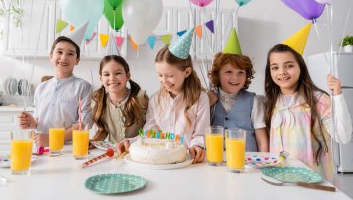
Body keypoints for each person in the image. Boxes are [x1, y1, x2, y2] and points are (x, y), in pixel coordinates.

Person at [117, 29, 210, 164]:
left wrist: (197, 146)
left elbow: (200, 134)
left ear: (187, 72)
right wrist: (130, 142)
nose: (164, 80)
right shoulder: (156, 99)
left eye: (170, 76)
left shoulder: (201, 99)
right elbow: (150, 133)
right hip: (159, 161)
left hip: (187, 162)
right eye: (160, 75)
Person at [265, 44, 352, 177]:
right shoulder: (271, 102)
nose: (282, 71)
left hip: (314, 181)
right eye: (275, 67)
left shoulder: (319, 100)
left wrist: (338, 96)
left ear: (301, 67)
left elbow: (343, 136)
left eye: (289, 65)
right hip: (281, 180)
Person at [18, 23, 93, 147]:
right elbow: (39, 120)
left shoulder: (83, 87)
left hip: (68, 149)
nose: (64, 57)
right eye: (60, 52)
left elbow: (83, 123)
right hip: (41, 148)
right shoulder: (41, 88)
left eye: (70, 54)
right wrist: (32, 123)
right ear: (51, 56)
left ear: (77, 60)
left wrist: (52, 139)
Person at [208, 52, 269, 152]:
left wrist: (263, 165)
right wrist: (206, 104)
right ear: (218, 74)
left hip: (247, 163)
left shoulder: (254, 101)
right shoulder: (208, 99)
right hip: (216, 162)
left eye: (240, 72)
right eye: (228, 72)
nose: (235, 78)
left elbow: (262, 141)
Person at [91, 55, 148, 143]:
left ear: (128, 76)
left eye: (118, 73)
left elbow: (152, 127)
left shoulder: (140, 98)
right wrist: (93, 141)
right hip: (115, 152)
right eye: (106, 74)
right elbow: (103, 131)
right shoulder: (99, 102)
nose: (112, 78)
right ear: (101, 79)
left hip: (139, 151)